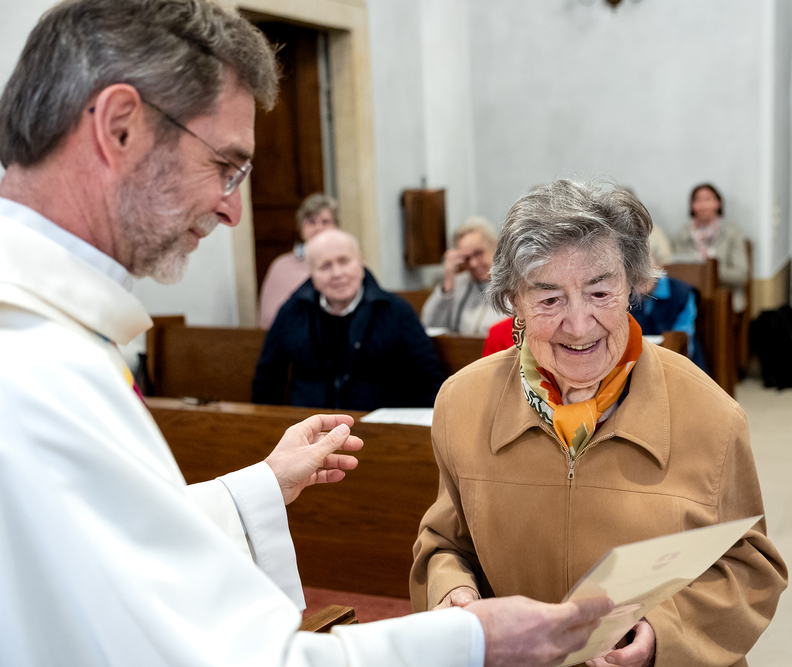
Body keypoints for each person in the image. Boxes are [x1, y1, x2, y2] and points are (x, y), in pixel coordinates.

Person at [0, 2, 612, 666]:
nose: (233, 210)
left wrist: (263, 484)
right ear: (120, 127)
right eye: (225, 165)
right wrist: (472, 641)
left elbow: (120, 540)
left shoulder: (45, 333)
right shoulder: (35, 367)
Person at [411, 179, 787, 667]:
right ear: (513, 302)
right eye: (549, 299)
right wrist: (452, 594)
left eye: (600, 292)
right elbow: (443, 544)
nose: (579, 324)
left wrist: (660, 634)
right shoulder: (463, 403)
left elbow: (749, 570)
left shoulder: (711, 414)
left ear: (633, 287)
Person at [253, 228, 446, 410]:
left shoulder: (395, 311)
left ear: (361, 263)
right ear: (312, 274)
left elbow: (428, 378)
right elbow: (268, 378)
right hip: (311, 426)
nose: (337, 274)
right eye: (325, 266)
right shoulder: (292, 312)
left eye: (344, 261)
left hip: (377, 426)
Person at [259, 192, 340, 329]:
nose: (318, 228)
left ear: (336, 227)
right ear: (301, 228)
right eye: (311, 222)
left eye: (325, 222)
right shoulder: (282, 266)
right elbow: (270, 319)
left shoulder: (347, 264)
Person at [671, 183, 750, 312]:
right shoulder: (683, 233)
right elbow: (677, 268)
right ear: (692, 206)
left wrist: (710, 271)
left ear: (718, 203)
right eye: (697, 200)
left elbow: (741, 275)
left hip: (724, 296)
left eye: (708, 199)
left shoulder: (732, 232)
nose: (702, 205)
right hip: (689, 294)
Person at [421, 218, 506, 336]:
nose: (473, 264)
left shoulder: (515, 283)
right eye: (466, 258)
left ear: (495, 247)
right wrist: (448, 286)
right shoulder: (459, 284)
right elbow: (430, 325)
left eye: (478, 253)